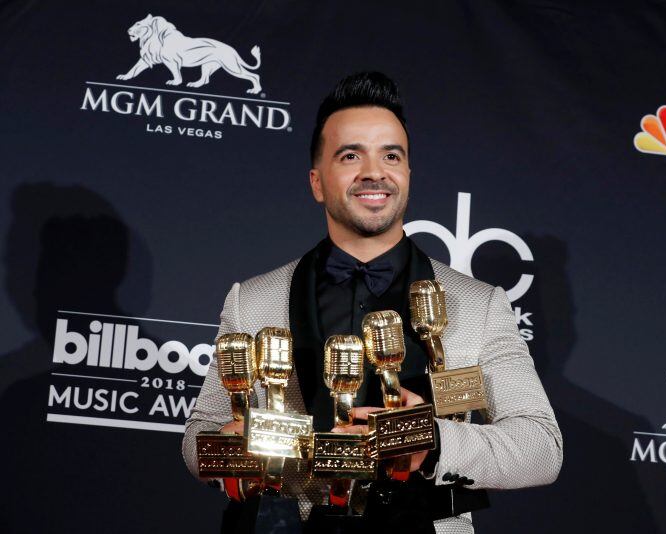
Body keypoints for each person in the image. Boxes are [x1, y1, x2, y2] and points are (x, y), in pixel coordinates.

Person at [182, 71, 562, 534]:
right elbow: (199, 435)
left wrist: (431, 443)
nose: (373, 171)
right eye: (350, 155)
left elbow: (542, 448)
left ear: (406, 175)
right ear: (317, 182)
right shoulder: (253, 299)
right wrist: (230, 448)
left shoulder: (478, 305)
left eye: (391, 155)